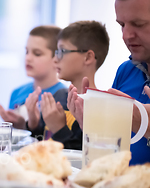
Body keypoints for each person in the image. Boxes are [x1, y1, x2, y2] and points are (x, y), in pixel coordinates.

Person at [68, 0, 150, 164]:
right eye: (121, 25)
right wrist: (93, 129)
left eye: (138, 24)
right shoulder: (126, 71)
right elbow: (111, 154)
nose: (126, 35)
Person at [39, 21, 110, 149]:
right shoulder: (59, 96)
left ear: (88, 58)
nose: (55, 59)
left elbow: (85, 156)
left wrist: (59, 129)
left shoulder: (100, 109)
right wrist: (30, 124)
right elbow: (42, 141)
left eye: (62, 51)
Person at [0, 25, 67, 129]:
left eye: (37, 54)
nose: (28, 58)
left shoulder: (63, 97)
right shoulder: (17, 92)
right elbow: (13, 136)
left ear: (57, 58)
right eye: (27, 52)